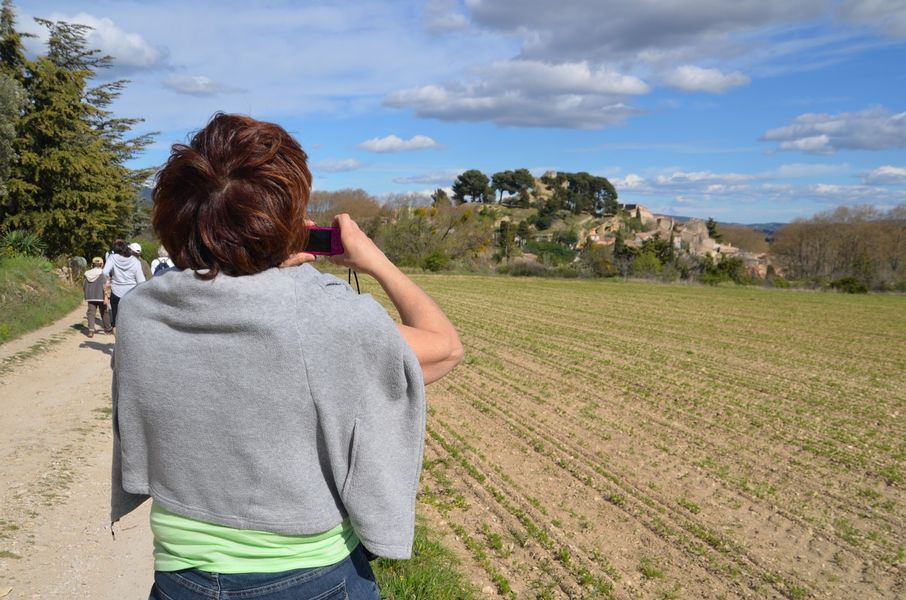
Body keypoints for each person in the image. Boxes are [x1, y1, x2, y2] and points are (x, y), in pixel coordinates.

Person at [110, 113, 463, 600]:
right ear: (290, 219)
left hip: (179, 577)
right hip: (309, 577)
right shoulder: (322, 314)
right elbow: (444, 346)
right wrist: (373, 260)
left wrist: (256, 261)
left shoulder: (141, 310)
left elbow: (223, 302)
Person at [102, 239, 146, 332]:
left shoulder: (112, 258)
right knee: (131, 321)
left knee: (116, 322)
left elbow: (105, 272)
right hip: (131, 294)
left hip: (116, 292)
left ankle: (118, 345)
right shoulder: (135, 261)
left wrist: (109, 281)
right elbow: (141, 281)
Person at [83, 257, 112, 337]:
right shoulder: (104, 273)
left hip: (90, 296)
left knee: (91, 313)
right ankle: (108, 329)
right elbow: (106, 286)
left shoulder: (87, 273)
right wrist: (107, 296)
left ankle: (91, 330)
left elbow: (84, 285)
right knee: (104, 312)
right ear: (102, 264)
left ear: (92, 264)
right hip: (101, 296)